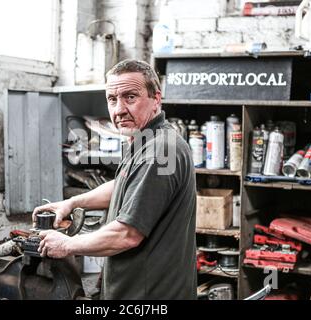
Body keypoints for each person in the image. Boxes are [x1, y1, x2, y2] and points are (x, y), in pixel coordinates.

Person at [32, 59, 197, 300]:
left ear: (156, 99)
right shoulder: (149, 137)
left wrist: (67, 245)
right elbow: (124, 183)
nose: (118, 110)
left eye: (130, 97)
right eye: (112, 99)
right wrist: (72, 203)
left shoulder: (159, 151)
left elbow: (127, 234)